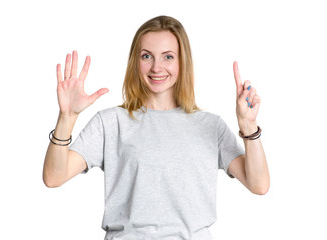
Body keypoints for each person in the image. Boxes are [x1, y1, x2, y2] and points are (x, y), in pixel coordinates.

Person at [43, 15, 270, 240]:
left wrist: (249, 126)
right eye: (146, 56)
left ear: (182, 62)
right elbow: (54, 177)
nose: (156, 67)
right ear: (135, 61)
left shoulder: (211, 126)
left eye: (168, 57)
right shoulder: (110, 123)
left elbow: (259, 184)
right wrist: (67, 116)